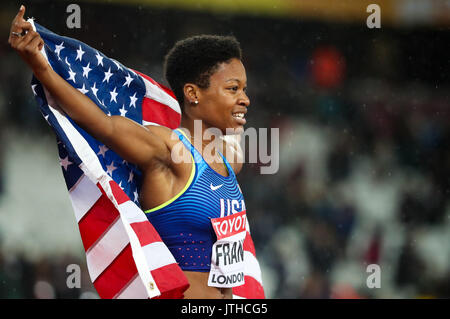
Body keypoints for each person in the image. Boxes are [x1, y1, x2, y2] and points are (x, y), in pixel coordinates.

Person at [9, 5, 251, 299]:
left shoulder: (230, 160)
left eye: (244, 89)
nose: (245, 99)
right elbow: (102, 123)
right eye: (233, 89)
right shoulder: (166, 150)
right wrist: (43, 68)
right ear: (192, 94)